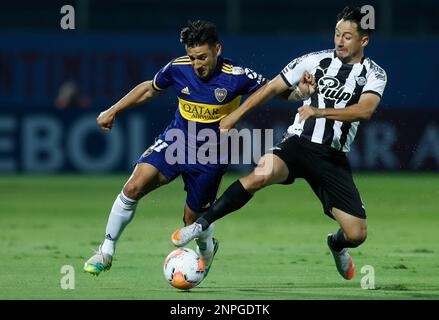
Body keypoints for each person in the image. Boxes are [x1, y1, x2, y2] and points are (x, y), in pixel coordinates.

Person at [171, 6, 387, 281]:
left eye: (347, 36)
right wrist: (235, 116)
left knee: (356, 234)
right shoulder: (313, 61)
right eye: (336, 34)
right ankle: (200, 225)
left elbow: (365, 110)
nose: (339, 41)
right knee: (262, 173)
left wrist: (318, 111)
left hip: (332, 157)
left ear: (363, 41)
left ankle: (335, 244)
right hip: (298, 143)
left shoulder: (375, 74)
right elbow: (271, 87)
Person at [84, 20, 313, 278]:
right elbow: (149, 89)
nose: (197, 64)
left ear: (217, 49)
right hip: (177, 141)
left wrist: (300, 92)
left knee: (192, 221)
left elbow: (275, 91)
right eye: (192, 58)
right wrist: (113, 110)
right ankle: (106, 251)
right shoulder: (178, 68)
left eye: (202, 57)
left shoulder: (237, 76)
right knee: (133, 186)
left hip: (211, 156)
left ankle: (207, 250)